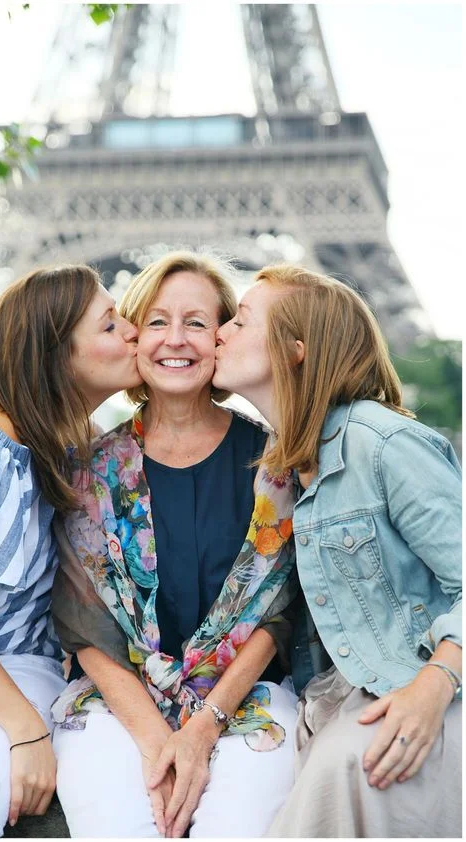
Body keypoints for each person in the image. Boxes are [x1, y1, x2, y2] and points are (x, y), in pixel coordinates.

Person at [50, 251, 300, 838]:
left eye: (196, 321)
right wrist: (157, 738)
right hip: (121, 701)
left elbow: (276, 618)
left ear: (223, 337)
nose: (176, 339)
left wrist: (202, 728)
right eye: (158, 321)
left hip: (243, 696)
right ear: (134, 338)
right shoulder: (89, 473)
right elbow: (88, 631)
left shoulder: (277, 466)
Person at [213, 263, 462, 838]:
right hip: (329, 694)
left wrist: (433, 686)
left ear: (294, 350)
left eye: (242, 320)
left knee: (338, 766)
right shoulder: (283, 465)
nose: (221, 329)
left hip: (417, 687)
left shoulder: (383, 444)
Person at [0, 264, 141, 838]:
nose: (133, 330)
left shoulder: (74, 452)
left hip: (16, 663)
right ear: (58, 354)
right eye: (111, 325)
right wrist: (27, 731)